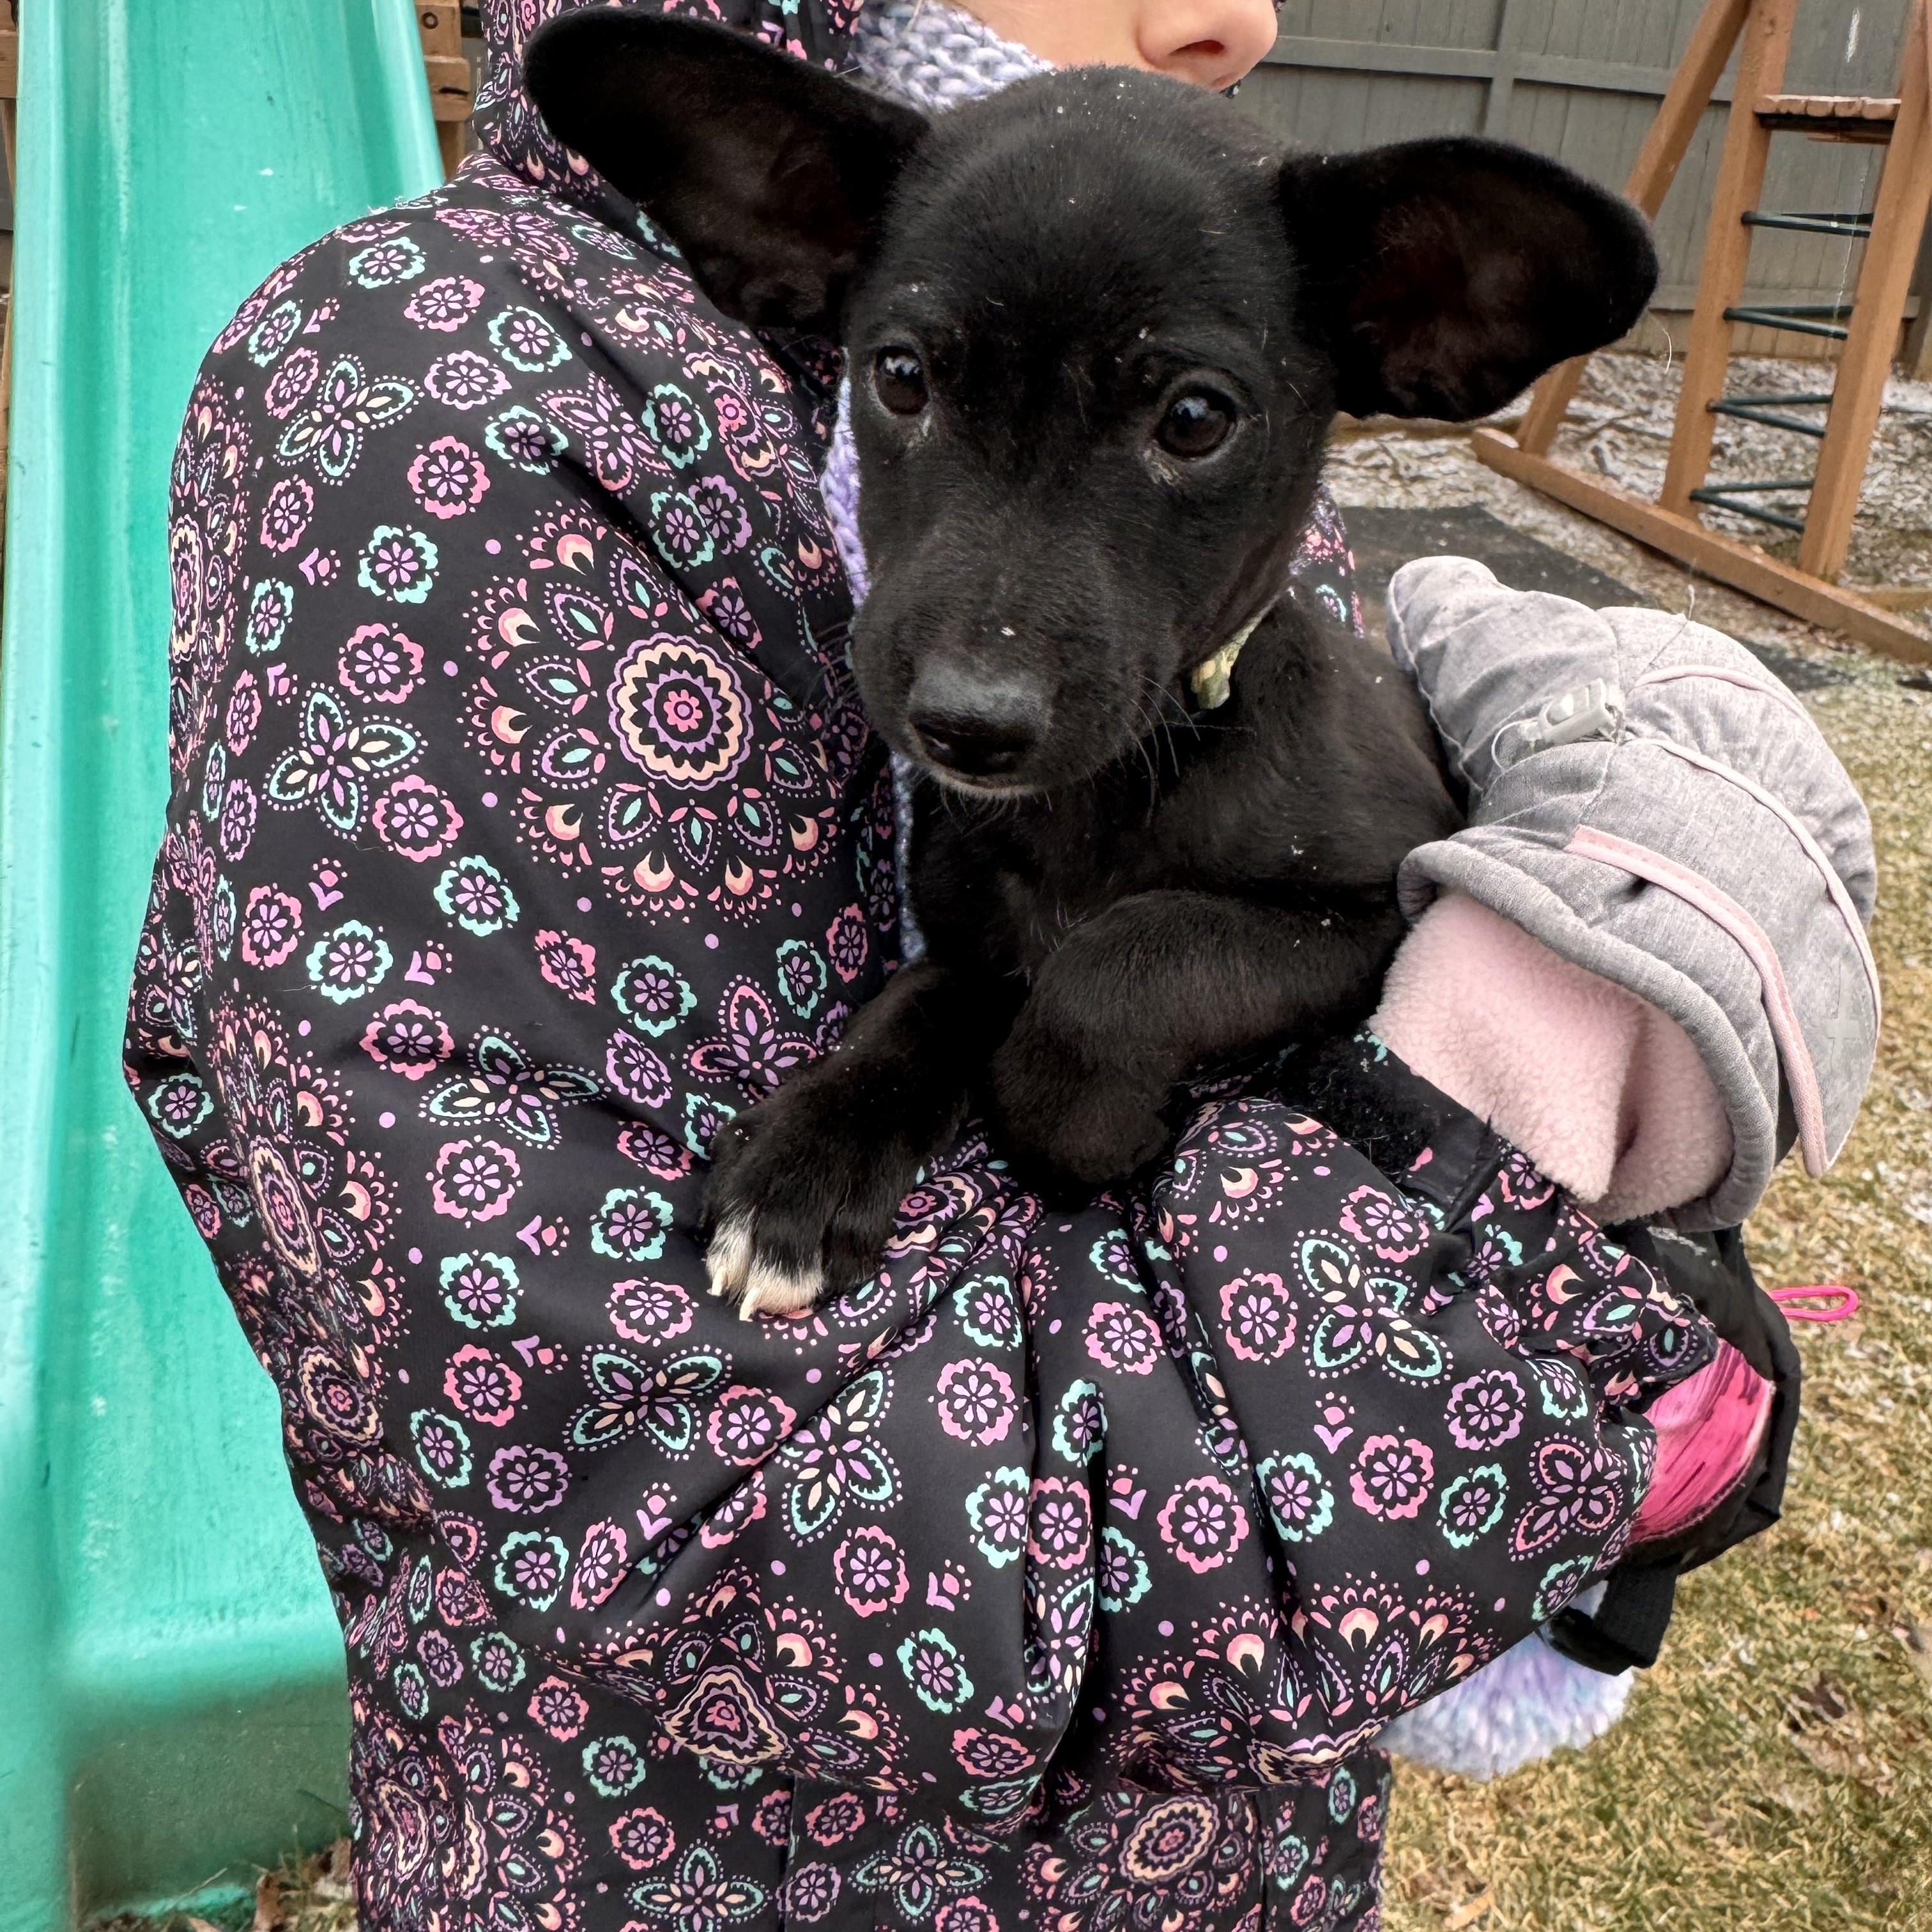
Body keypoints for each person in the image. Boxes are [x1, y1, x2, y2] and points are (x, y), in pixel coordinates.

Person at [124, 3, 1873, 1927]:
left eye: (1186, 422)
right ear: (792, 250)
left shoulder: (1216, 338)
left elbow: (1340, 916)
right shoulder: (436, 397)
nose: (973, 663)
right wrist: (922, 1069)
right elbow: (706, 1504)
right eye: (916, 384)